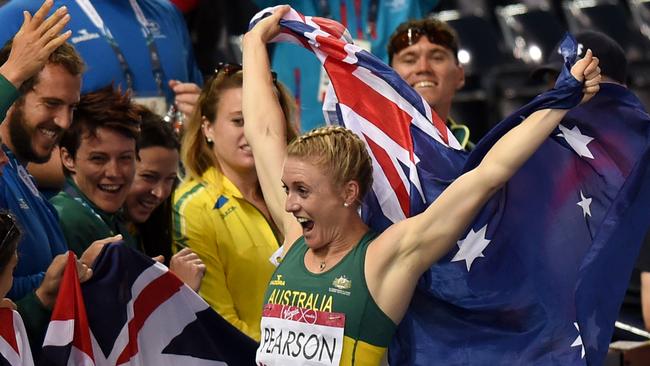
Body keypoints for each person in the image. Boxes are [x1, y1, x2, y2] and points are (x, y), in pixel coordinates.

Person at [242, 7, 600, 365]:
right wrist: (254, 43)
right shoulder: (294, 240)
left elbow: (487, 174)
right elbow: (264, 133)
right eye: (288, 189)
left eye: (302, 191)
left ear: (349, 193)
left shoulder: (385, 259)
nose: (288, 204)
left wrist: (559, 101)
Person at [0, 0, 204, 192]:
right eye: (52, 103)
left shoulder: (168, 14)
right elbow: (10, 137)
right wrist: (114, 175)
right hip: (61, 209)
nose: (63, 117)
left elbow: (201, 115)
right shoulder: (22, 15)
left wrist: (199, 119)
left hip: (164, 199)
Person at [172, 63, 297, 341]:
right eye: (239, 121)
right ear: (208, 128)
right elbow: (216, 321)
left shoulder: (302, 195)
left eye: (262, 120)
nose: (252, 132)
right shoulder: (195, 206)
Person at [0, 8, 84, 301]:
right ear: (13, 98)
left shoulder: (22, 174)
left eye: (71, 107)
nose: (64, 121)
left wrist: (84, 270)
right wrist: (12, 73)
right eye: (51, 103)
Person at [51, 85, 141, 255]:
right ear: (68, 159)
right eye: (98, 159)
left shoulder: (111, 218)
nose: (114, 172)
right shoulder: (68, 219)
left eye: (125, 158)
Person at [125, 108, 205, 291]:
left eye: (169, 179)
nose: (160, 193)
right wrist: (178, 289)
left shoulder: (149, 230)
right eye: (148, 177)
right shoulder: (92, 227)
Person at [388, 17, 473, 149]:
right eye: (410, 60)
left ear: (460, 76)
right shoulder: (365, 150)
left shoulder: (480, 160)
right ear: (388, 77)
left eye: (437, 58)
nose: (423, 68)